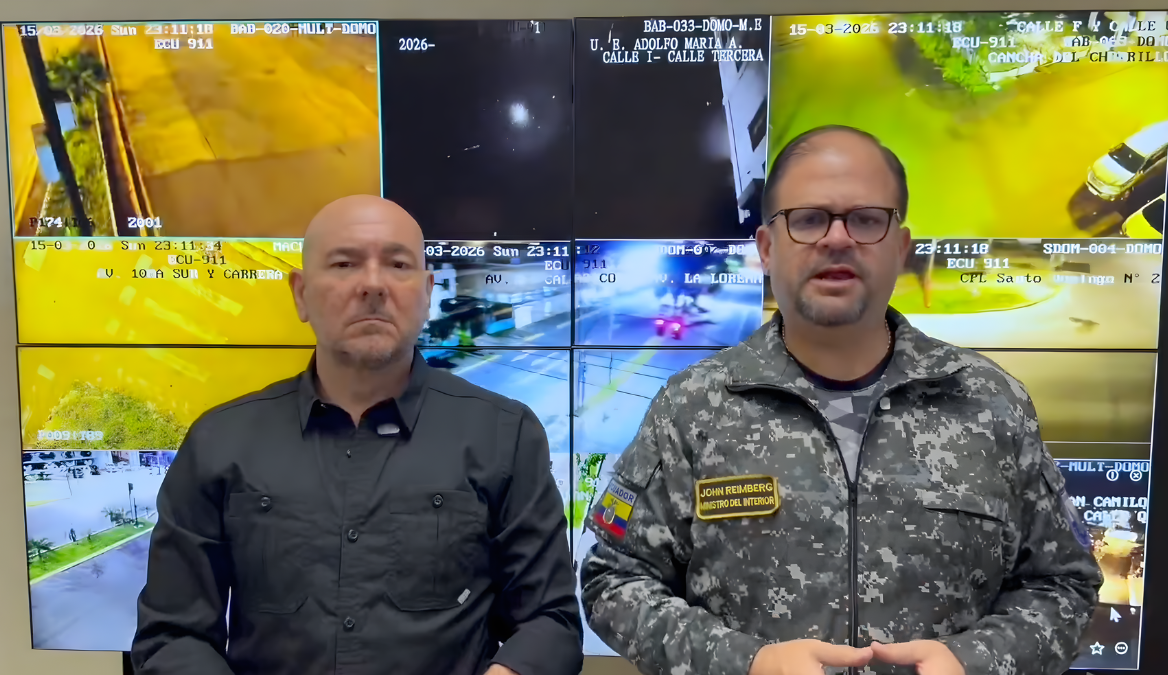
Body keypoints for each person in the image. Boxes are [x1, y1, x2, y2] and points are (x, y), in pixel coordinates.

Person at [578, 126, 1102, 675]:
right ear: (766, 248)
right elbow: (614, 580)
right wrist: (746, 664)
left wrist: (973, 663)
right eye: (808, 219)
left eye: (866, 219)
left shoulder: (990, 400)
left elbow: (1063, 581)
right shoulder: (692, 408)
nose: (836, 239)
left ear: (901, 248)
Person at [132, 195, 583, 675]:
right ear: (301, 294)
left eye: (397, 263)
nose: (373, 284)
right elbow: (172, 636)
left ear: (428, 292)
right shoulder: (219, 442)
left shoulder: (505, 434)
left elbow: (550, 623)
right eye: (345, 263)